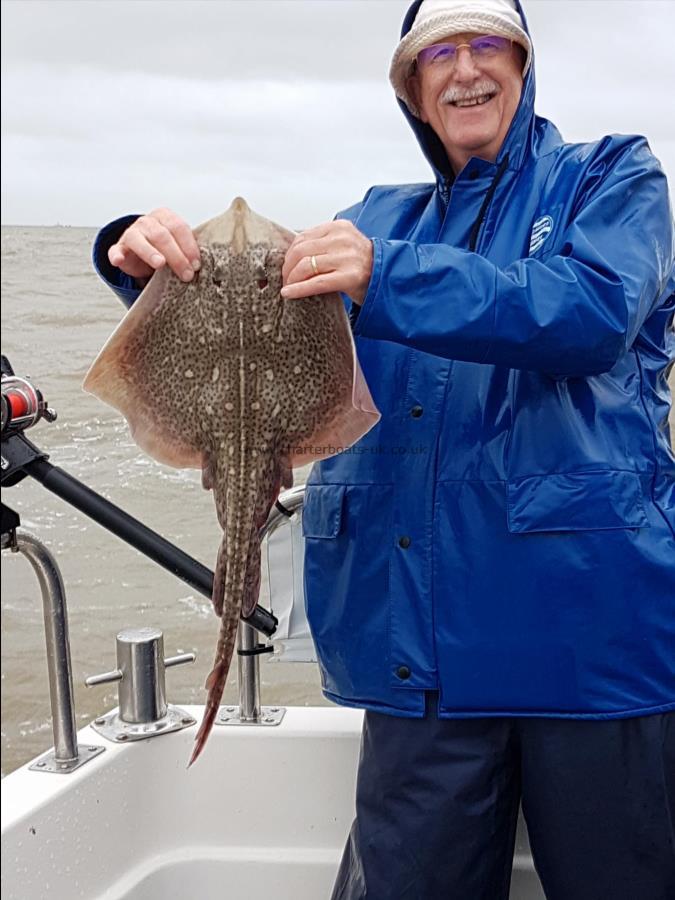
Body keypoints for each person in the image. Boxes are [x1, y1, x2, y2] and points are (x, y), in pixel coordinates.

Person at [93, 1, 675, 896]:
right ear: (410, 86)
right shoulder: (372, 215)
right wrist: (135, 258)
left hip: (588, 645)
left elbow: (590, 313)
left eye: (489, 45)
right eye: (437, 52)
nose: (465, 68)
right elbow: (250, 341)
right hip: (416, 654)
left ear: (524, 67)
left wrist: (389, 273)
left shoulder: (610, 177)